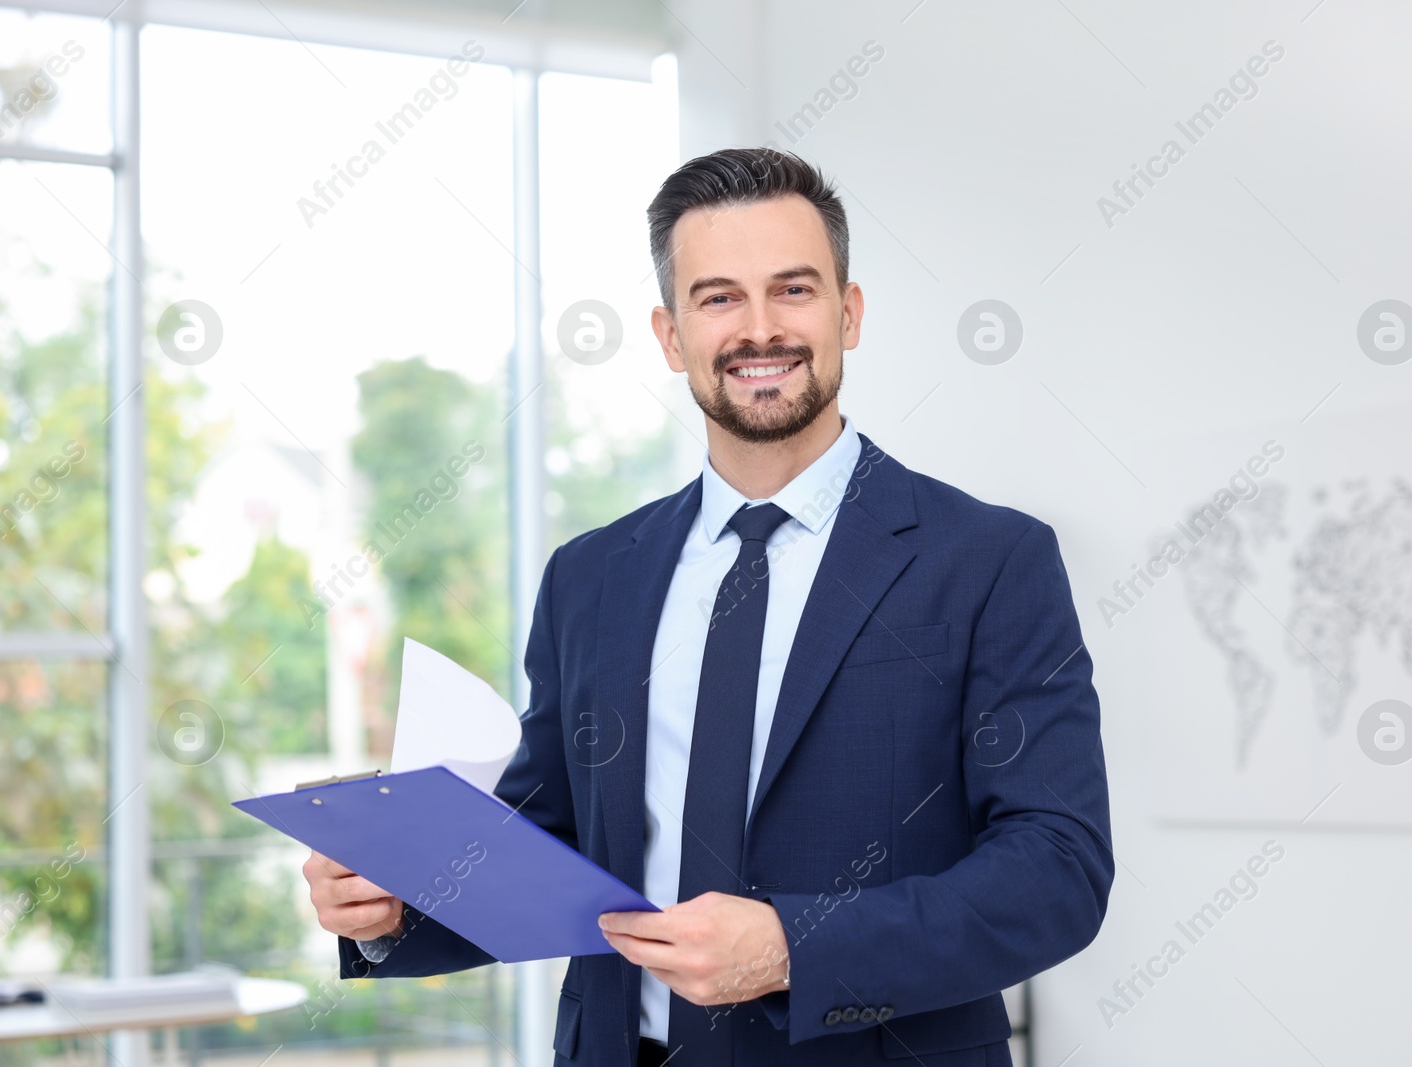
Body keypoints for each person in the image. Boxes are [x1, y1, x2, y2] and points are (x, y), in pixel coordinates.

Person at [302, 147, 1112, 1067]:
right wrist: (397, 899)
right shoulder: (591, 576)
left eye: (794, 290)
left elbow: (1057, 870)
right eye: (719, 297)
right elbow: (552, 843)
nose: (759, 329)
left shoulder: (991, 559)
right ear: (670, 333)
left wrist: (792, 947)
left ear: (848, 314)